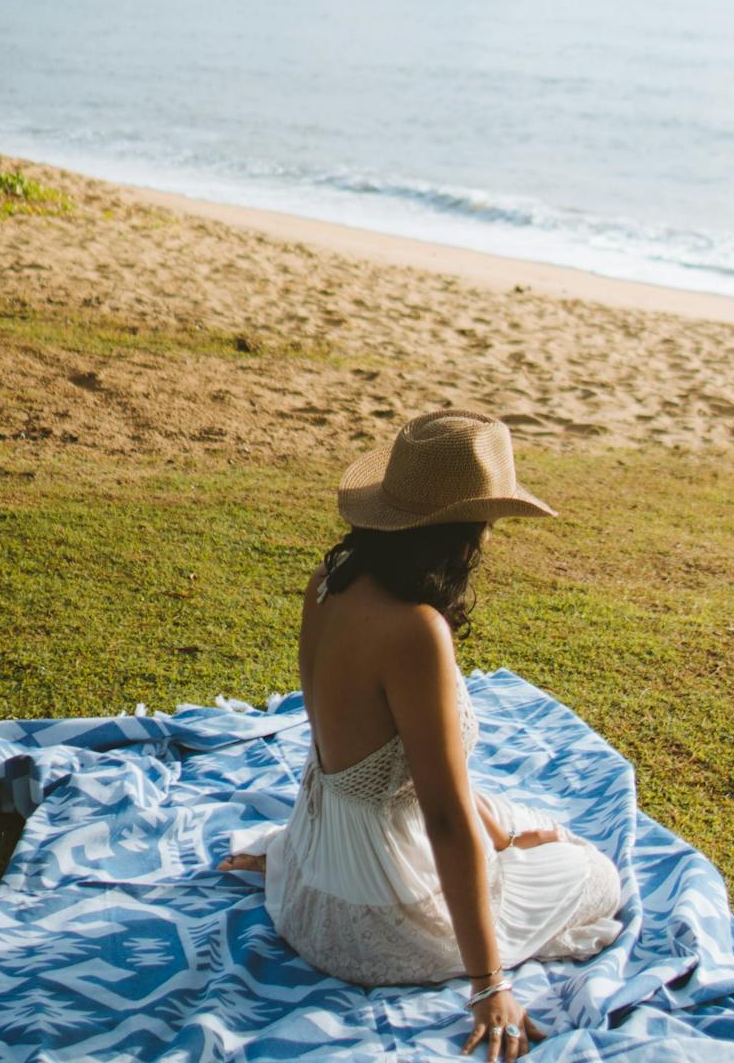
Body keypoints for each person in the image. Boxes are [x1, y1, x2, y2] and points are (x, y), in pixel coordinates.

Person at [220, 410, 623, 1060]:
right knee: (594, 875)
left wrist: (290, 848)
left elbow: (334, 746)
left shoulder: (329, 581)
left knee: (506, 817)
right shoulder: (414, 631)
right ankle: (511, 859)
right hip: (370, 920)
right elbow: (442, 819)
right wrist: (489, 985)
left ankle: (509, 839)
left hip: (307, 889)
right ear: (464, 530)